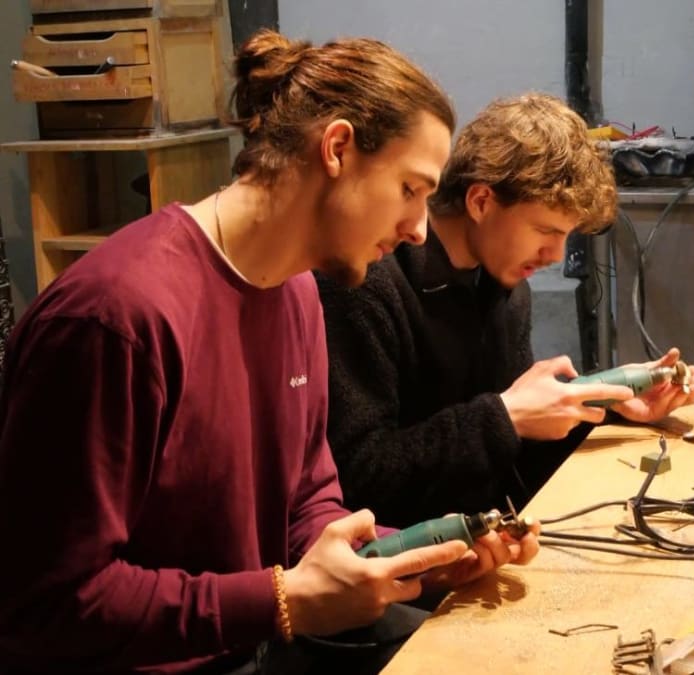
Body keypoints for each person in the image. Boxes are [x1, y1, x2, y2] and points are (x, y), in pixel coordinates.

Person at [0, 30, 539, 674]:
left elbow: (306, 502)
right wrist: (280, 601)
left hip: (257, 650)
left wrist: (418, 557)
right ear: (336, 149)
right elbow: (45, 604)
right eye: (409, 189)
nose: (419, 230)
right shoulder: (117, 317)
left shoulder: (298, 293)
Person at [317, 93, 694, 529]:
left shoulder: (505, 290)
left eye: (566, 236)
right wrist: (505, 417)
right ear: (480, 201)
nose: (556, 255)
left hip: (487, 537)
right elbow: (359, 478)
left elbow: (510, 447)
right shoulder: (364, 283)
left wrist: (605, 404)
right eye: (544, 230)